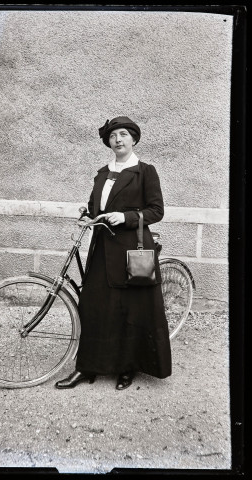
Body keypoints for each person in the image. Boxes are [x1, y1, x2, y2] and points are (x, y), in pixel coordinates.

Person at [55, 116, 172, 390]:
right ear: (108, 142)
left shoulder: (145, 171)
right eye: (112, 136)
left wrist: (127, 217)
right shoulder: (101, 173)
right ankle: (87, 367)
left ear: (133, 139)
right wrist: (87, 214)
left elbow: (156, 210)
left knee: (130, 310)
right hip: (101, 249)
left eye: (123, 134)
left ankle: (127, 368)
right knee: (93, 306)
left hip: (133, 251)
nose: (117, 140)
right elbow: (96, 206)